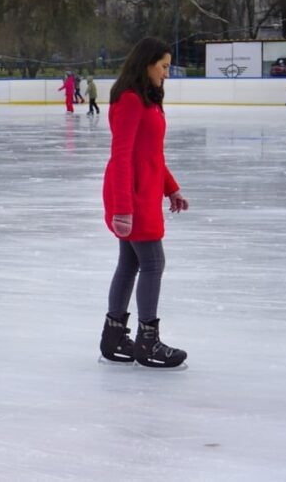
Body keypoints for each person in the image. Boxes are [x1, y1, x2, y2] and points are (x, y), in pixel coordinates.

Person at [99, 36, 188, 368]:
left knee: (130, 263)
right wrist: (123, 208)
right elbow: (121, 156)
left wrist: (172, 189)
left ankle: (113, 337)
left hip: (146, 192)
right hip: (132, 196)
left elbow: (152, 155)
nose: (166, 73)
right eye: (163, 66)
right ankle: (147, 343)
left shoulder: (147, 99)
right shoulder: (130, 100)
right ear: (147, 63)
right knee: (153, 263)